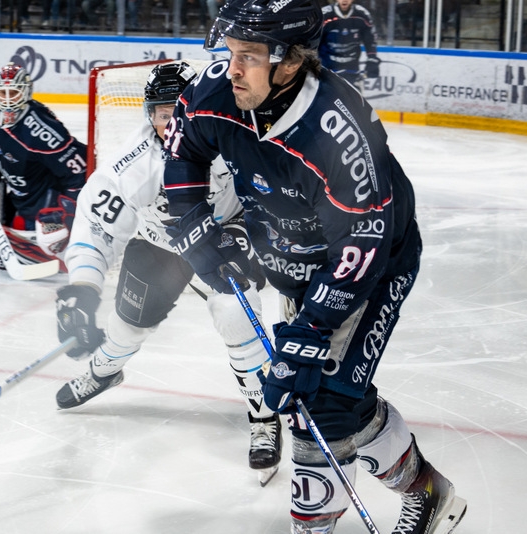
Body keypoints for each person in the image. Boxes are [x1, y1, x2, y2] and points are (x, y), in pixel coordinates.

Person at [161, 0, 467, 532]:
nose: (232, 69)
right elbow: (183, 150)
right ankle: (428, 491)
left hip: (369, 265)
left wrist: (311, 330)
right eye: (230, 52)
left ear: (290, 61)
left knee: (316, 404)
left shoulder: (336, 131)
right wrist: (194, 226)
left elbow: (362, 244)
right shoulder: (215, 92)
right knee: (338, 396)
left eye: (249, 56)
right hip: (292, 258)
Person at [53, 61, 283, 484]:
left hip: (222, 234)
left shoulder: (233, 130)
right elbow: (96, 226)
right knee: (127, 327)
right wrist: (82, 287)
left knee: (236, 310)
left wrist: (260, 232)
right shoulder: (135, 166)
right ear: (149, 115)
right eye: (162, 113)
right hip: (160, 243)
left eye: (178, 110)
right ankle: (104, 370)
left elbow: (276, 181)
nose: (171, 122)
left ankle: (263, 414)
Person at [0, 62, 87, 262]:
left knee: (47, 241)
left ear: (26, 93)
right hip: (19, 190)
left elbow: (79, 171)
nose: (7, 100)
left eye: (14, 93)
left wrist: (65, 215)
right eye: (3, 93)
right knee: (17, 226)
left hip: (46, 196)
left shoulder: (44, 133)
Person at [319, 0, 380, 89]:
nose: (345, 0)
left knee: (352, 95)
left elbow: (370, 39)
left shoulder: (362, 14)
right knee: (327, 94)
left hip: (352, 67)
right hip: (327, 66)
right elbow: (314, 39)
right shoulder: (325, 14)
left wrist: (372, 58)